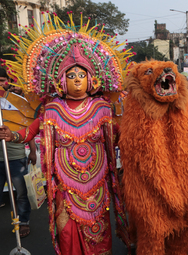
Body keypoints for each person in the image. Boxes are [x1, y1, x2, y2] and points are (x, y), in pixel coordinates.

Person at [0, 13, 132, 254]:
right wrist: (13, 136)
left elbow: (121, 134)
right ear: (61, 80)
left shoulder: (102, 107)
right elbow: (31, 131)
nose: (78, 81)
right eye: (71, 76)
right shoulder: (52, 109)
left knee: (99, 231)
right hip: (65, 184)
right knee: (67, 231)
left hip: (97, 181)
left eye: (82, 75)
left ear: (91, 78)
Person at [0, 68, 37, 238]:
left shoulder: (18, 102)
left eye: (2, 80)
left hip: (16, 157)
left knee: (21, 193)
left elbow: (28, 126)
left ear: (7, 82)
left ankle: (23, 222)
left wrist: (33, 150)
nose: (0, 84)